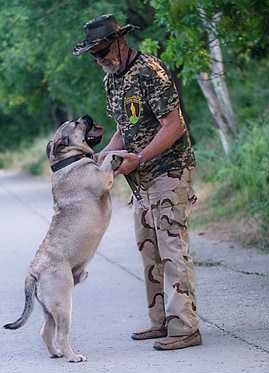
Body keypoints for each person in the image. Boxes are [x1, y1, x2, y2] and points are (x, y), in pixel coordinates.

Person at [73, 14, 201, 350]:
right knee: (150, 249)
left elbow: (174, 126)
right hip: (141, 180)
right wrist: (101, 164)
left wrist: (140, 158)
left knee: (172, 249)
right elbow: (122, 129)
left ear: (119, 41)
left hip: (168, 172)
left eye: (102, 51)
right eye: (94, 55)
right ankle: (162, 322)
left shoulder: (149, 71)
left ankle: (186, 327)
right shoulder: (112, 80)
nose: (99, 59)